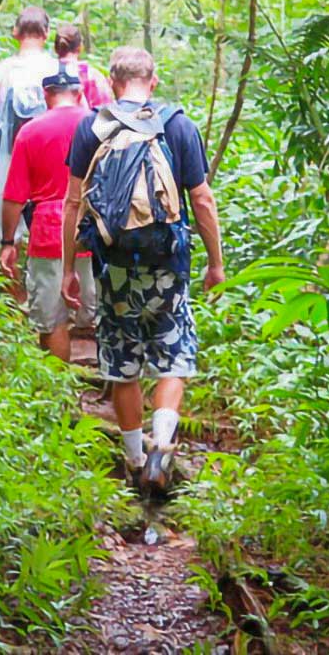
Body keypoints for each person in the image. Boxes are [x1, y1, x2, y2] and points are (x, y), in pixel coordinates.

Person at [61, 46, 224, 495]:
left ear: (113, 83)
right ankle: (161, 449)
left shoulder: (91, 126)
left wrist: (68, 270)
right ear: (153, 82)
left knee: (122, 363)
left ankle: (134, 461)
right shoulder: (177, 126)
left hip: (112, 267)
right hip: (168, 265)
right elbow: (203, 201)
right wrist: (215, 263)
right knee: (175, 357)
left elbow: (73, 202)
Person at [0, 69, 99, 363]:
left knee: (52, 319)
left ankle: (60, 395)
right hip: (95, 226)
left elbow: (14, 195)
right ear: (79, 94)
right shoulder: (100, 125)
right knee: (106, 311)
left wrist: (8, 242)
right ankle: (113, 390)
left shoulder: (30, 131)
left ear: (46, 95)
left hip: (49, 230)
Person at [0, 7, 59, 245]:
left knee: (8, 238)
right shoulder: (57, 72)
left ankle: (13, 279)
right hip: (51, 169)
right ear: (47, 34)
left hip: (6, 167)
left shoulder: (0, 73)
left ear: (15, 33)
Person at [53, 24, 113, 108]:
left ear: (55, 48)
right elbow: (105, 110)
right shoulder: (94, 76)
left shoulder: (46, 74)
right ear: (81, 47)